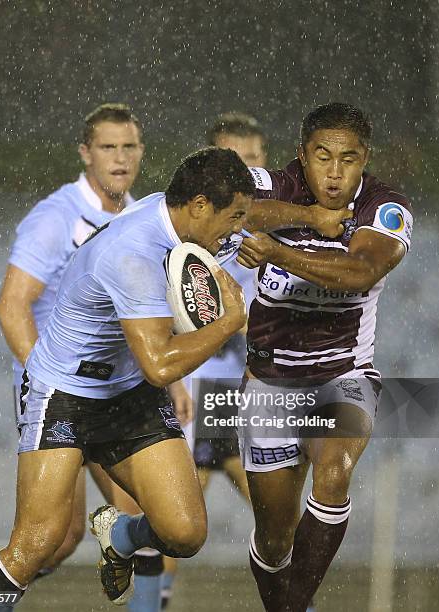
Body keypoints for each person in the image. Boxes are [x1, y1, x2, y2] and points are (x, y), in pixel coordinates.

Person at [0, 147, 254, 612]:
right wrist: (227, 323)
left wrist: (318, 217)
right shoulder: (134, 255)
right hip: (65, 395)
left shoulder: (170, 211)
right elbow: (159, 365)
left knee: (185, 532)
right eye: (233, 217)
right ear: (199, 206)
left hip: (128, 394)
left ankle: (119, 533)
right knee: (38, 543)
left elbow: (257, 211)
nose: (236, 229)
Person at [0, 102, 191, 610]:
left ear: (142, 151)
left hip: (116, 394)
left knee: (145, 516)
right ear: (86, 153)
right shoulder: (56, 218)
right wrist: (53, 381)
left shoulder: (142, 215)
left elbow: (143, 315)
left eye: (129, 147)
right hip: (58, 393)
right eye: (108, 147)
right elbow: (12, 306)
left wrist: (171, 379)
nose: (120, 158)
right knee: (52, 542)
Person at [234, 102, 413, 612]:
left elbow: (359, 273)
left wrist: (277, 252)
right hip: (269, 381)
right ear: (301, 155)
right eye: (322, 157)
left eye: (348, 160)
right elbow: (228, 203)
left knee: (333, 471)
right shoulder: (278, 184)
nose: (334, 174)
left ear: (365, 161)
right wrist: (308, 218)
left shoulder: (385, 208)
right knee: (274, 539)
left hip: (344, 374)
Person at [161, 112, 268, 609]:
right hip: (194, 393)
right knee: (174, 529)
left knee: (277, 518)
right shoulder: (190, 236)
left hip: (241, 397)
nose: (244, 172)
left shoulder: (272, 239)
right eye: (233, 162)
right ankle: (152, 600)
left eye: (251, 161)